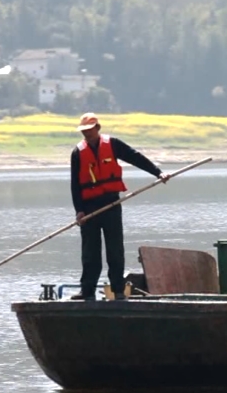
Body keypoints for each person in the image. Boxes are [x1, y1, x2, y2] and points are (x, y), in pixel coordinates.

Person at [70, 112, 169, 300]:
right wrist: (79, 211)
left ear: (98, 128)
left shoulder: (113, 144)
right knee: (90, 253)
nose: (87, 134)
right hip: (89, 209)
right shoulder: (77, 152)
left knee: (115, 250)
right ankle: (87, 291)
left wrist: (158, 173)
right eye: (84, 131)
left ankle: (118, 291)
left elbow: (135, 157)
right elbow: (75, 184)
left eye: (89, 130)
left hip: (111, 205)